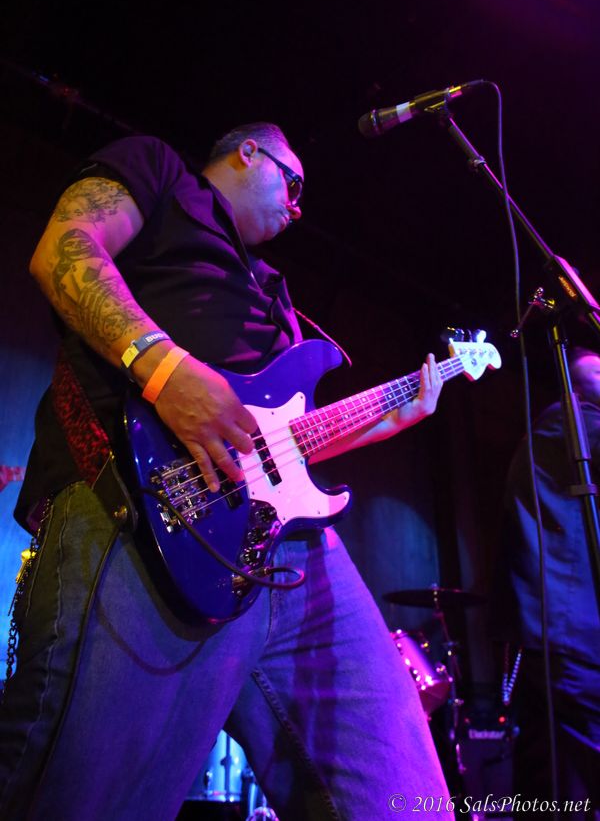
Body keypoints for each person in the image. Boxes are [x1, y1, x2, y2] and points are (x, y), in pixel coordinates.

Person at [0, 124, 453, 820]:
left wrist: (395, 416)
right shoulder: (159, 172)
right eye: (293, 183)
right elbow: (65, 247)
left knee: (404, 799)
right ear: (248, 153)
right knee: (84, 797)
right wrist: (164, 369)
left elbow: (285, 448)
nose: (298, 207)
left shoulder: (276, 292)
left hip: (289, 552)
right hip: (145, 515)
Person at [498, 348, 600, 817]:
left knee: (554, 777)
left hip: (562, 631)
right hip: (569, 631)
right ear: (574, 383)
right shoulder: (571, 423)